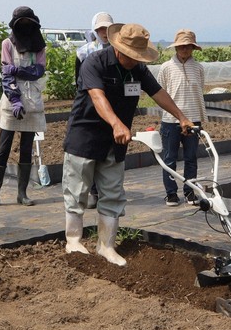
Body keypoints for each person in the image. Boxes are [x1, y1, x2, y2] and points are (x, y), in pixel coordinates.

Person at [62, 23, 193, 266]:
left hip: (115, 141)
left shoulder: (138, 70)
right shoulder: (95, 63)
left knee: (112, 193)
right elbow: (97, 96)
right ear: (118, 48)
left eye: (139, 57)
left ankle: (106, 247)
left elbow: (157, 92)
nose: (135, 61)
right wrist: (116, 123)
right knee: (77, 190)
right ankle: (73, 241)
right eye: (132, 56)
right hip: (85, 136)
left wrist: (181, 116)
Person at [0, 6, 47, 209]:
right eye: (22, 24)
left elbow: (39, 71)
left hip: (32, 100)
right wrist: (15, 99)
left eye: (29, 24)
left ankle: (22, 193)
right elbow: (7, 75)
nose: (26, 28)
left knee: (26, 148)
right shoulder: (7, 44)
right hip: (12, 100)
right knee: (4, 147)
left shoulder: (39, 46)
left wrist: (18, 70)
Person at [157, 29, 207, 206]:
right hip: (170, 121)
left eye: (188, 46)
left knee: (191, 157)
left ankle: (189, 191)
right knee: (169, 158)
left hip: (193, 119)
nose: (184, 49)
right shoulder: (166, 67)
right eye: (181, 46)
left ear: (193, 48)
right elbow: (160, 91)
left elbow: (200, 89)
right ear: (176, 47)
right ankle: (171, 193)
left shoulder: (198, 68)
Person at [74, 11, 114, 209]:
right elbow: (78, 81)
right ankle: (93, 190)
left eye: (108, 28)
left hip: (111, 106)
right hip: (90, 105)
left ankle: (106, 190)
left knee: (108, 150)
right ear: (94, 30)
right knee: (91, 149)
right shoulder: (84, 52)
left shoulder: (118, 50)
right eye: (100, 29)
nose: (104, 32)